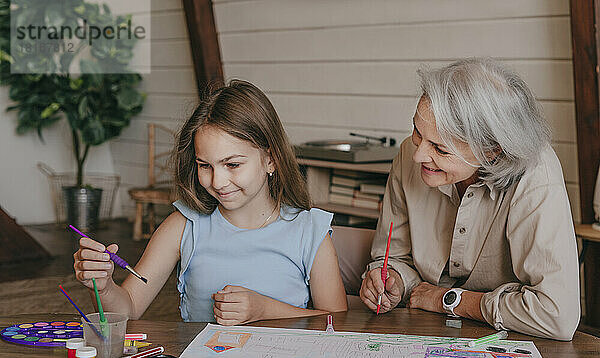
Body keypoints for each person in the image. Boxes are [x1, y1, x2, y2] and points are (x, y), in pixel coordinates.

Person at [73, 80, 347, 325]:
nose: (217, 181)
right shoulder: (183, 225)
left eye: (232, 164)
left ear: (270, 159)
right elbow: (129, 308)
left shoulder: (310, 231)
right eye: (205, 165)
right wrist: (105, 285)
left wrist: (264, 309)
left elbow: (339, 322)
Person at [359, 58, 580, 340]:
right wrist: (393, 280)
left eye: (440, 148)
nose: (418, 156)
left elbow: (555, 315)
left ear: (492, 151)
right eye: (417, 132)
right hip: (419, 331)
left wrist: (449, 300)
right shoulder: (408, 155)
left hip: (507, 343)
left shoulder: (536, 176)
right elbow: (394, 257)